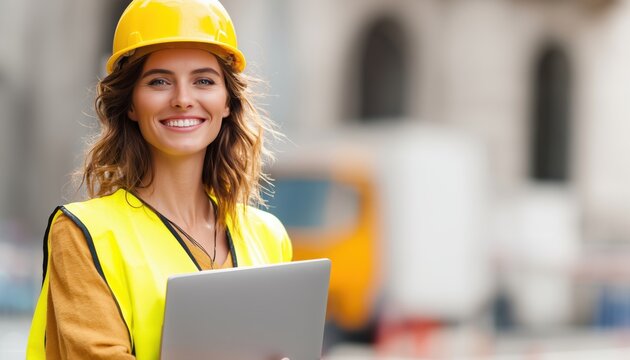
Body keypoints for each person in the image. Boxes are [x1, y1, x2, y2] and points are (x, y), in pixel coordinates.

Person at [26, 0, 292, 358]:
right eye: (159, 81)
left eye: (203, 80)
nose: (183, 99)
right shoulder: (84, 233)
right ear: (132, 103)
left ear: (227, 101)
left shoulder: (268, 236)